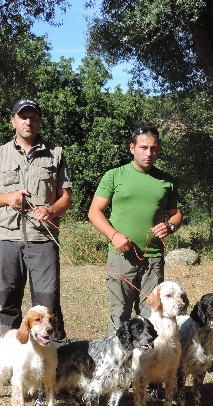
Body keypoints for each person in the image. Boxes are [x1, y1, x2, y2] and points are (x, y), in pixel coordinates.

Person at [0, 98, 72, 339]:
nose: (28, 121)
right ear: (13, 122)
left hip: (43, 239)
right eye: (23, 117)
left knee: (48, 302)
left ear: (39, 121)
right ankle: (11, 356)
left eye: (33, 117)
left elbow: (66, 199)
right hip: (6, 238)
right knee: (9, 300)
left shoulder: (56, 155)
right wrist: (9, 197)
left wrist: (51, 211)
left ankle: (54, 362)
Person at [88, 126, 183, 336]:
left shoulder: (166, 180)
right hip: (121, 257)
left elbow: (177, 215)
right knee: (120, 314)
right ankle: (117, 364)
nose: (149, 153)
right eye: (143, 147)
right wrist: (113, 236)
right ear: (132, 148)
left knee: (152, 315)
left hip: (153, 259)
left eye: (154, 148)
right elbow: (94, 212)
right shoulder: (114, 175)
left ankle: (147, 364)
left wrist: (170, 226)